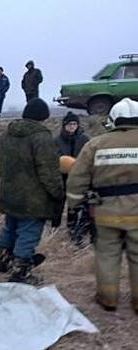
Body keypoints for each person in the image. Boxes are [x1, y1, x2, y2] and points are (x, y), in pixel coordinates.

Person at [66, 98, 138, 314]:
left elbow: (76, 180)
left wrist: (74, 204)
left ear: (113, 120)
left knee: (107, 256)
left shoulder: (95, 144)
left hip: (106, 214)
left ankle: (108, 299)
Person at [0, 98, 64, 284]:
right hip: (33, 198)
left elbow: (2, 166)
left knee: (10, 227)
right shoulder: (42, 137)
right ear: (43, 117)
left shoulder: (8, 134)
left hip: (9, 193)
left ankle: (1, 262)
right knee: (29, 232)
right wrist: (58, 193)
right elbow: (49, 171)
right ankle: (20, 272)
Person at [55, 112, 90, 236]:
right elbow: (54, 156)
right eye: (69, 124)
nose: (72, 126)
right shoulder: (58, 140)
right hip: (62, 175)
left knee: (74, 202)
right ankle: (55, 225)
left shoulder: (84, 139)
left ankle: (73, 227)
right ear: (64, 125)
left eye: (74, 124)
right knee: (59, 201)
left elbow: (88, 156)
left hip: (78, 176)